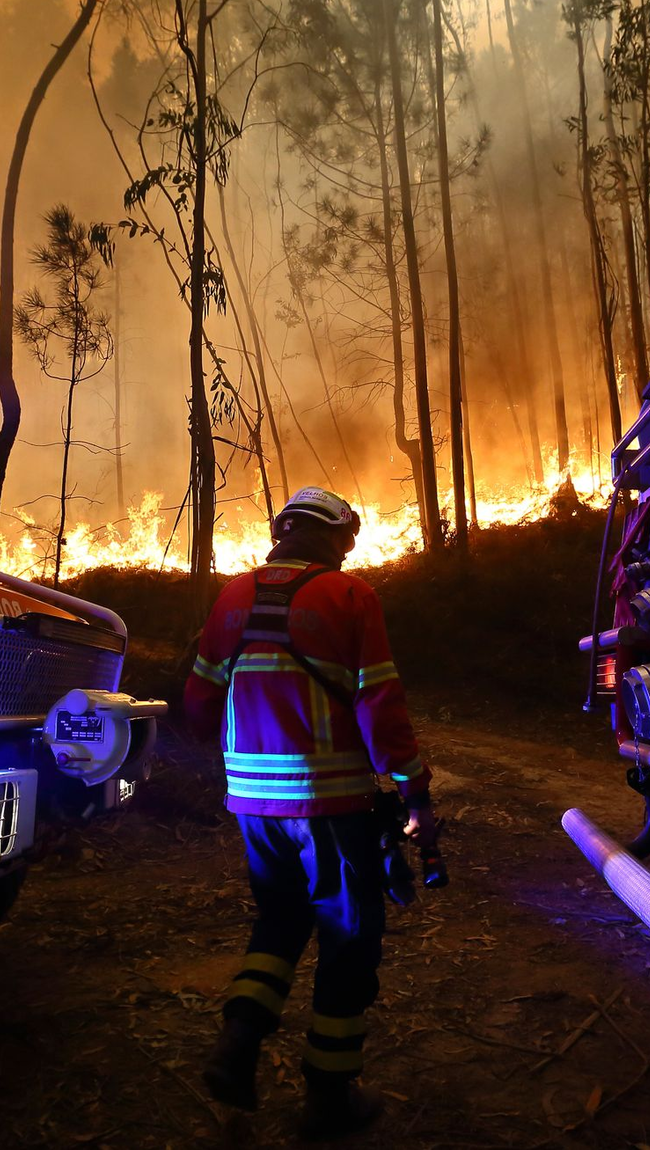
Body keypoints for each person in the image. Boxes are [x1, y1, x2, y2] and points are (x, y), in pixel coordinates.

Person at [183, 485, 436, 1140]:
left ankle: (237, 1044)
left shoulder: (232, 596)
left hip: (253, 803)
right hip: (330, 803)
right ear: (336, 536)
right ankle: (328, 1096)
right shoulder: (350, 596)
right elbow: (380, 704)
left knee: (279, 919)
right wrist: (413, 793)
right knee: (349, 940)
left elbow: (201, 700)